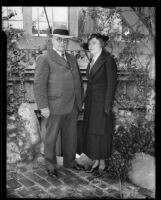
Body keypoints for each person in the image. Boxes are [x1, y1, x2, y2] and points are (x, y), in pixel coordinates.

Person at [34, 25, 84, 178]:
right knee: (51, 137)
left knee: (71, 136)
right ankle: (50, 165)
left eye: (65, 40)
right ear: (52, 40)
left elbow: (79, 81)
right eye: (59, 39)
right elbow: (39, 84)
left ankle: (70, 161)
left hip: (73, 105)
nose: (62, 43)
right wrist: (43, 106)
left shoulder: (71, 58)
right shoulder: (45, 58)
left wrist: (80, 101)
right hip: (54, 106)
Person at [82, 33, 117, 176]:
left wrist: (107, 106)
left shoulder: (108, 60)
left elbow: (112, 84)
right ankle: (96, 160)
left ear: (101, 44)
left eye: (94, 43)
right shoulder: (92, 60)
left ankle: (102, 163)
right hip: (91, 103)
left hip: (102, 103)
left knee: (102, 133)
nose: (91, 46)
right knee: (93, 133)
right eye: (89, 44)